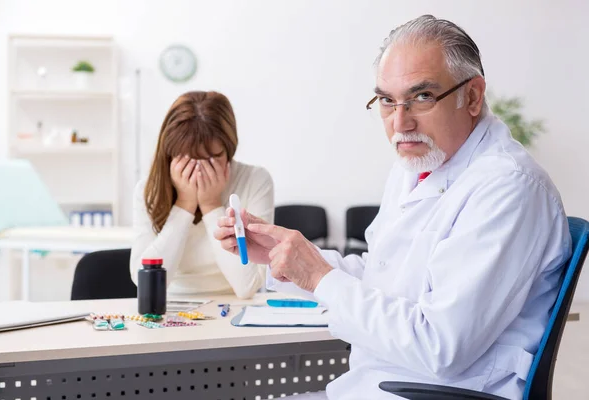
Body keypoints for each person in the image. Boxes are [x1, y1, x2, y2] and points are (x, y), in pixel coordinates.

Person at [214, 15, 572, 400]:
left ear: (472, 96)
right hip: (377, 384)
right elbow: (382, 276)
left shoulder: (508, 187)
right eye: (386, 100)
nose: (400, 122)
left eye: (422, 97)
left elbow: (441, 347)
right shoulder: (419, 165)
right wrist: (289, 261)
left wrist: (319, 276)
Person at [131, 91, 274, 299]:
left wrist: (211, 205)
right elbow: (144, 281)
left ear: (228, 150)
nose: (198, 170)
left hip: (234, 307)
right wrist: (185, 204)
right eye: (187, 159)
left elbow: (246, 286)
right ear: (170, 153)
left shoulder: (255, 180)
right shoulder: (148, 189)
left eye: (211, 157)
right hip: (169, 306)